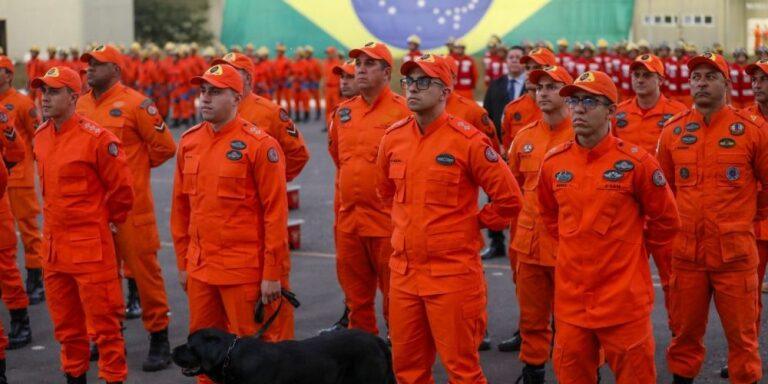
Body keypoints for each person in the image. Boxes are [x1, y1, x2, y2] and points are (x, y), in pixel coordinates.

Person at [377, 53, 522, 384]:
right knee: (408, 370)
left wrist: (474, 223)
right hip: (404, 274)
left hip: (452, 274)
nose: (412, 89)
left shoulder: (467, 140)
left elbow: (510, 199)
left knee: (463, 371)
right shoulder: (393, 138)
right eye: (409, 81)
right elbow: (385, 193)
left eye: (423, 82)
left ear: (445, 92)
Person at [536, 70, 680, 383]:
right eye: (574, 101)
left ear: (611, 111)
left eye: (589, 101)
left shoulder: (637, 163)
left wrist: (629, 245)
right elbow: (549, 216)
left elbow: (667, 220)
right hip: (572, 304)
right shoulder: (553, 163)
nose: (579, 109)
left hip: (624, 304)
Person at [171, 64, 291, 384]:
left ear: (236, 97)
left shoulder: (259, 145)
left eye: (215, 92)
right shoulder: (189, 142)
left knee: (253, 356)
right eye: (203, 91)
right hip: (201, 269)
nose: (205, 99)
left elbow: (275, 213)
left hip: (243, 271)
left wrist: (271, 273)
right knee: (203, 354)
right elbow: (181, 209)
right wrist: (183, 262)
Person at [659, 52, 766, 384]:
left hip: (735, 256)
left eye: (710, 76)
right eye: (696, 78)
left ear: (727, 84)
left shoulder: (752, 131)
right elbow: (661, 194)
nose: (701, 83)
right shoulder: (673, 132)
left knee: (743, 341)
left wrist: (746, 221)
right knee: (684, 337)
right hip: (687, 255)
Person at [75, 44, 176, 372]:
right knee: (100, 277)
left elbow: (163, 147)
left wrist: (135, 174)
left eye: (97, 65)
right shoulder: (80, 105)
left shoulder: (137, 104)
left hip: (132, 209)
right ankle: (106, 335)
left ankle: (158, 336)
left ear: (116, 70)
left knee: (145, 275)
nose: (89, 69)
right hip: (94, 210)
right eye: (88, 64)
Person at [32, 66, 133, 384]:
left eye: (54, 91)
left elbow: (122, 192)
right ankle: (74, 377)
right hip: (54, 250)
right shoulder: (41, 137)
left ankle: (114, 377)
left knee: (105, 329)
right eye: (43, 91)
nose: (45, 98)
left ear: (74, 97)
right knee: (66, 329)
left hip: (90, 248)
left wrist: (106, 223)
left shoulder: (98, 139)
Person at [327, 42, 410, 335]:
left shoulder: (404, 112)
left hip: (388, 224)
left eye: (368, 64)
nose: (360, 69)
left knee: (396, 300)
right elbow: (339, 160)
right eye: (358, 63)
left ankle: (399, 360)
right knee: (357, 302)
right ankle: (363, 360)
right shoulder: (343, 114)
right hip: (350, 223)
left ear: (387, 72)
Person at [507, 65, 573, 383]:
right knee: (532, 319)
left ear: (568, 92)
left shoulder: (582, 133)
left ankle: (583, 373)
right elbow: (512, 187)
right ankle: (533, 371)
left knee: (575, 321)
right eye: (539, 87)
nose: (543, 92)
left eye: (551, 86)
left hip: (569, 247)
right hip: (530, 247)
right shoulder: (524, 138)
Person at [612, 53, 687, 333]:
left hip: (665, 209)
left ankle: (679, 333)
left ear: (661, 79)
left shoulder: (679, 113)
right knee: (626, 277)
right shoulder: (619, 113)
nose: (640, 80)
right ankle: (625, 332)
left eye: (647, 75)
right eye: (637, 75)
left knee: (673, 279)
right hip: (629, 211)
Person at [212, 52, 310, 182]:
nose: (224, 75)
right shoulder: (215, 110)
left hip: (254, 198)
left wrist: (272, 180)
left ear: (247, 77)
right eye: (222, 70)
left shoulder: (271, 112)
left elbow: (298, 154)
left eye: (231, 70)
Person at [0, 56, 45, 306]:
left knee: (28, 231)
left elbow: (38, 134)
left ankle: (35, 279)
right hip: (0, 183)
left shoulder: (23, 103)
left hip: (19, 178)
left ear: (8, 75)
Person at [745, 58, 768, 298]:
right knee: (750, 294)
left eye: (764, 79)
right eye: (755, 79)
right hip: (755, 221)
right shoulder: (742, 122)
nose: (757, 85)